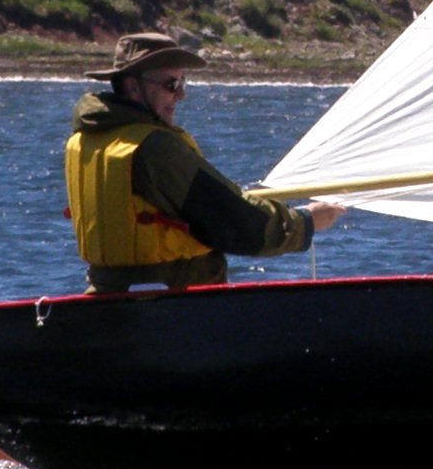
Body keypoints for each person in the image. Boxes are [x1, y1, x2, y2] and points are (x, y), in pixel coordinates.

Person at [65, 32, 345, 293]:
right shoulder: (154, 147)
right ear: (133, 88)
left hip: (109, 300)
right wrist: (306, 221)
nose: (181, 95)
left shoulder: (86, 139)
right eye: (170, 85)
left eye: (182, 83)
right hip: (173, 306)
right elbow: (236, 221)